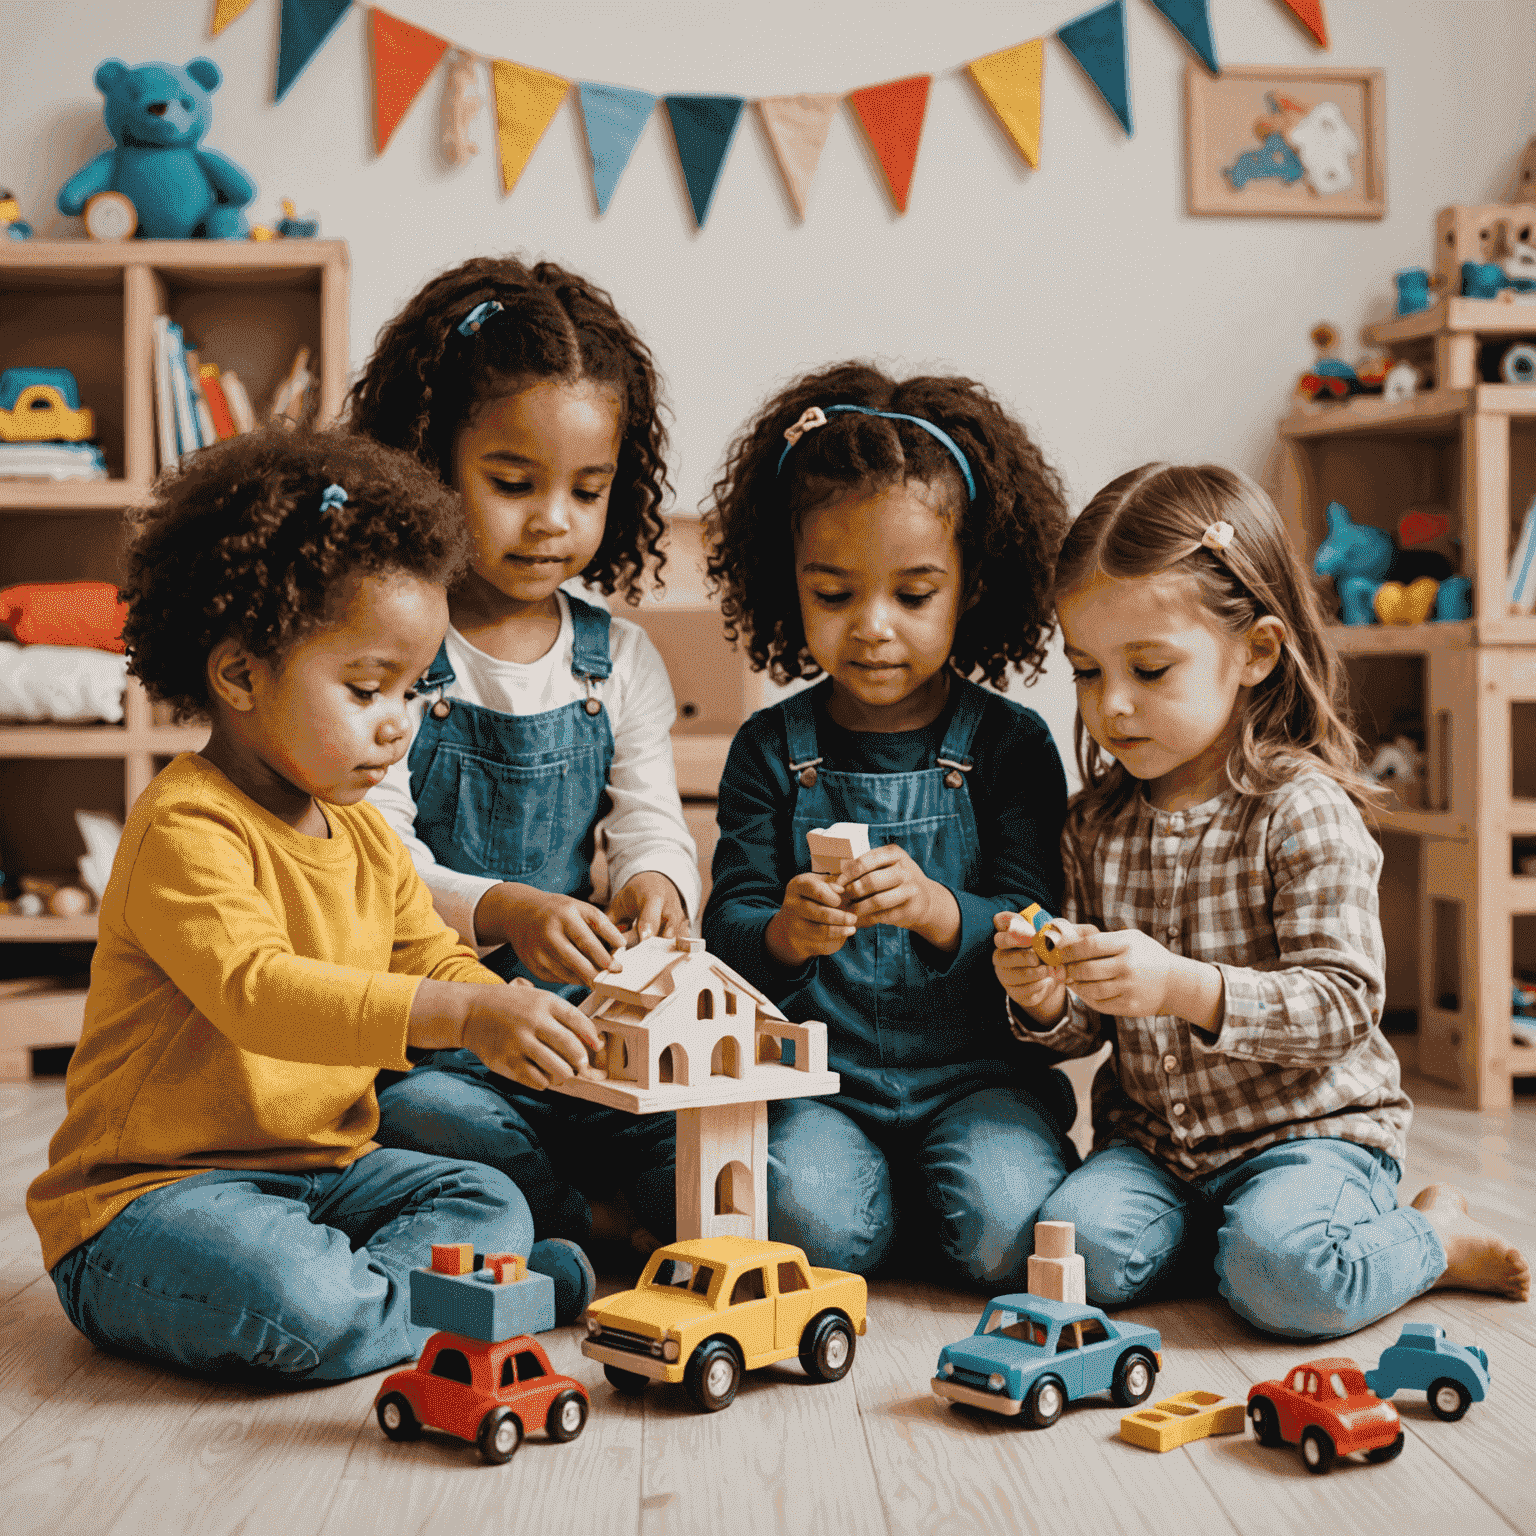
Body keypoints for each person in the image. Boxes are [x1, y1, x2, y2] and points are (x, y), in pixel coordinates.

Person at [27, 429, 603, 1384]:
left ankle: (434, 1295)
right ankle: (485, 1300)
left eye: (415, 691)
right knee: (294, 1292)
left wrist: (518, 1014)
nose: (397, 722)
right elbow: (258, 992)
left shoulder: (368, 836)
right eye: (366, 687)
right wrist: (458, 1011)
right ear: (242, 675)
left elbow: (431, 961)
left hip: (322, 1176)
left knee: (485, 1196)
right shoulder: (186, 828)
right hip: (149, 1204)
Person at [996, 461, 1530, 1339]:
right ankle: (1242, 1241)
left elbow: (1343, 1006)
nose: (1111, 705)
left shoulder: (1300, 809)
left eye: (1151, 668)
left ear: (1257, 652)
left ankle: (1430, 1233)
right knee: (1071, 1256)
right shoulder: (1094, 823)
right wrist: (1047, 995)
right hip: (1158, 1150)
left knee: (1289, 1280)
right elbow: (1090, 1031)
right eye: (1087, 671)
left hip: (1308, 1135)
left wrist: (1184, 988)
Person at [346, 257, 698, 1258]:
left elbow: (649, 815)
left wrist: (657, 880)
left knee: (704, 1121)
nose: (553, 519)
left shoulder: (616, 659)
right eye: (513, 483)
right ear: (426, 460)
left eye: (587, 490)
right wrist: (505, 909)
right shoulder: (389, 652)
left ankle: (564, 1195)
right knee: (422, 1117)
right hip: (439, 1023)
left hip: (579, 1020)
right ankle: (581, 1216)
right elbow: (381, 858)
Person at [701, 363, 1079, 1285]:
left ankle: (923, 1202)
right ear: (786, 582)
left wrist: (940, 910)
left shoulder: (1009, 745)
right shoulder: (768, 749)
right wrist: (784, 932)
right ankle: (886, 1204)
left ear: (971, 584)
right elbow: (727, 930)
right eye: (835, 594)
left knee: (1006, 1231)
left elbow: (1037, 926)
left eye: (913, 596)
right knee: (805, 1225)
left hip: (978, 1082)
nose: (873, 628)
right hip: (821, 1083)